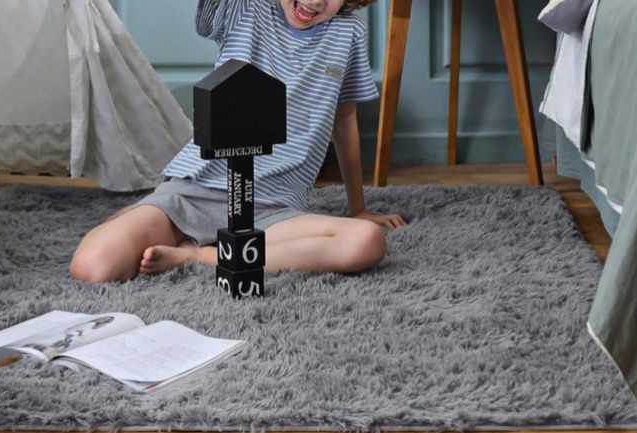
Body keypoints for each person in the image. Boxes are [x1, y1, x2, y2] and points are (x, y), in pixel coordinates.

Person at [70, 0, 406, 283]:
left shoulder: (349, 34)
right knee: (93, 267)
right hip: (195, 193)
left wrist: (358, 209)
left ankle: (199, 255)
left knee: (365, 242)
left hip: (273, 211)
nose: (315, 1)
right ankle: (152, 214)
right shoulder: (243, 8)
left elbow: (344, 121)